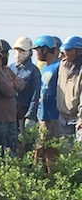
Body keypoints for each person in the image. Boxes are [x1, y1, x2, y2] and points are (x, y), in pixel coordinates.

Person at [0, 39, 24, 156]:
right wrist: (13, 85)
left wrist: (12, 84)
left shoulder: (7, 70)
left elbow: (21, 83)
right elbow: (7, 91)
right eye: (3, 54)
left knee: (12, 149)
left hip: (11, 118)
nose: (5, 57)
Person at [32, 35, 61, 170]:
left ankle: (53, 181)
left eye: (38, 49)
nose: (36, 53)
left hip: (54, 115)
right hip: (43, 114)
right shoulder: (45, 68)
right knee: (40, 151)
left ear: (45, 49)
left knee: (52, 152)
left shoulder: (58, 66)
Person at [9, 37, 41, 134]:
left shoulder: (34, 71)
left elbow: (35, 95)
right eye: (17, 50)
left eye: (22, 50)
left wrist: (30, 116)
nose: (19, 53)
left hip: (25, 110)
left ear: (29, 52)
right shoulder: (11, 68)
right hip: (12, 112)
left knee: (26, 143)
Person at [56, 35, 82, 141]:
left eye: (69, 50)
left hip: (78, 118)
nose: (65, 52)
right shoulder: (62, 66)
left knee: (78, 152)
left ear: (79, 51)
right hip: (63, 117)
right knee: (65, 152)